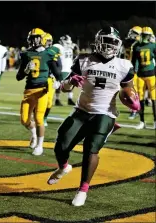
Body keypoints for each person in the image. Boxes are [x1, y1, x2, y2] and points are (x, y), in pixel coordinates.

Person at [47, 26, 140, 207]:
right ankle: (63, 167)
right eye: (106, 41)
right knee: (61, 144)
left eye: (113, 42)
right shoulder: (83, 60)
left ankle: (83, 189)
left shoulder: (124, 65)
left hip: (105, 113)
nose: (109, 46)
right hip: (81, 110)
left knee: (91, 149)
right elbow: (64, 87)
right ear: (98, 42)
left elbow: (128, 89)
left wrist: (132, 99)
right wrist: (70, 82)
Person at [16, 28, 61, 156]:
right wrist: (25, 70)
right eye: (32, 38)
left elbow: (56, 70)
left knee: (39, 118)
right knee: (24, 120)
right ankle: (34, 134)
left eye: (36, 37)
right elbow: (19, 77)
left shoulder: (49, 53)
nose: (34, 40)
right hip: (29, 90)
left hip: (42, 90)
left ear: (42, 38)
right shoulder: (26, 54)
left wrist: (58, 80)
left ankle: (40, 145)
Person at [132, 26, 156, 129]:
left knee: (154, 99)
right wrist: (135, 70)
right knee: (140, 99)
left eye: (147, 36)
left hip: (151, 75)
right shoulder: (136, 46)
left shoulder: (153, 46)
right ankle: (142, 121)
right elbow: (134, 61)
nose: (146, 38)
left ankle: (155, 121)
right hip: (140, 75)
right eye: (144, 35)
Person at [42, 32, 62, 127]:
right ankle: (37, 116)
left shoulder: (54, 51)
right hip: (40, 79)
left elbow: (59, 65)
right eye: (47, 40)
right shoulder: (38, 51)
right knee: (38, 99)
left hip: (50, 79)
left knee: (49, 101)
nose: (49, 42)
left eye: (50, 40)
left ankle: (44, 117)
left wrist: (58, 79)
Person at [122, 26, 142, 119]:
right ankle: (135, 109)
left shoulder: (138, 46)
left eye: (133, 33)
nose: (131, 34)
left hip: (134, 69)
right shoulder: (128, 43)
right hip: (126, 68)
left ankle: (135, 110)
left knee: (133, 90)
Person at [54, 35, 76, 106]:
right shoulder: (59, 48)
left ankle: (69, 99)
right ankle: (57, 100)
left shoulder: (70, 49)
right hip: (62, 69)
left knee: (71, 84)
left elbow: (76, 54)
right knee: (59, 85)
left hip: (69, 69)